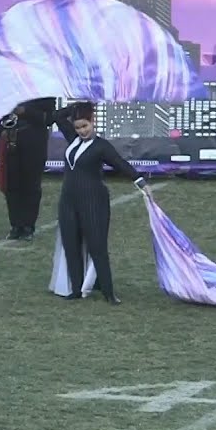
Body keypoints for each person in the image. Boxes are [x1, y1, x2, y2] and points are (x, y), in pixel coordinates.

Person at [52, 101, 146, 305]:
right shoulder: (73, 139)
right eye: (78, 127)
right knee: (71, 244)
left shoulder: (101, 146)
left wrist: (140, 182)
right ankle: (76, 289)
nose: (82, 131)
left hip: (93, 201)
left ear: (93, 123)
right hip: (68, 201)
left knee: (97, 246)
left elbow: (120, 163)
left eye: (85, 126)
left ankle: (109, 293)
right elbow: (57, 116)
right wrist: (76, 107)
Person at [0, 98, 55, 241]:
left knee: (31, 185)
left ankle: (28, 226)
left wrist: (26, 111)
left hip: (34, 142)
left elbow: (49, 119)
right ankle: (15, 225)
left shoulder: (43, 90)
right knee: (11, 185)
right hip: (10, 140)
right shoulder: (6, 86)